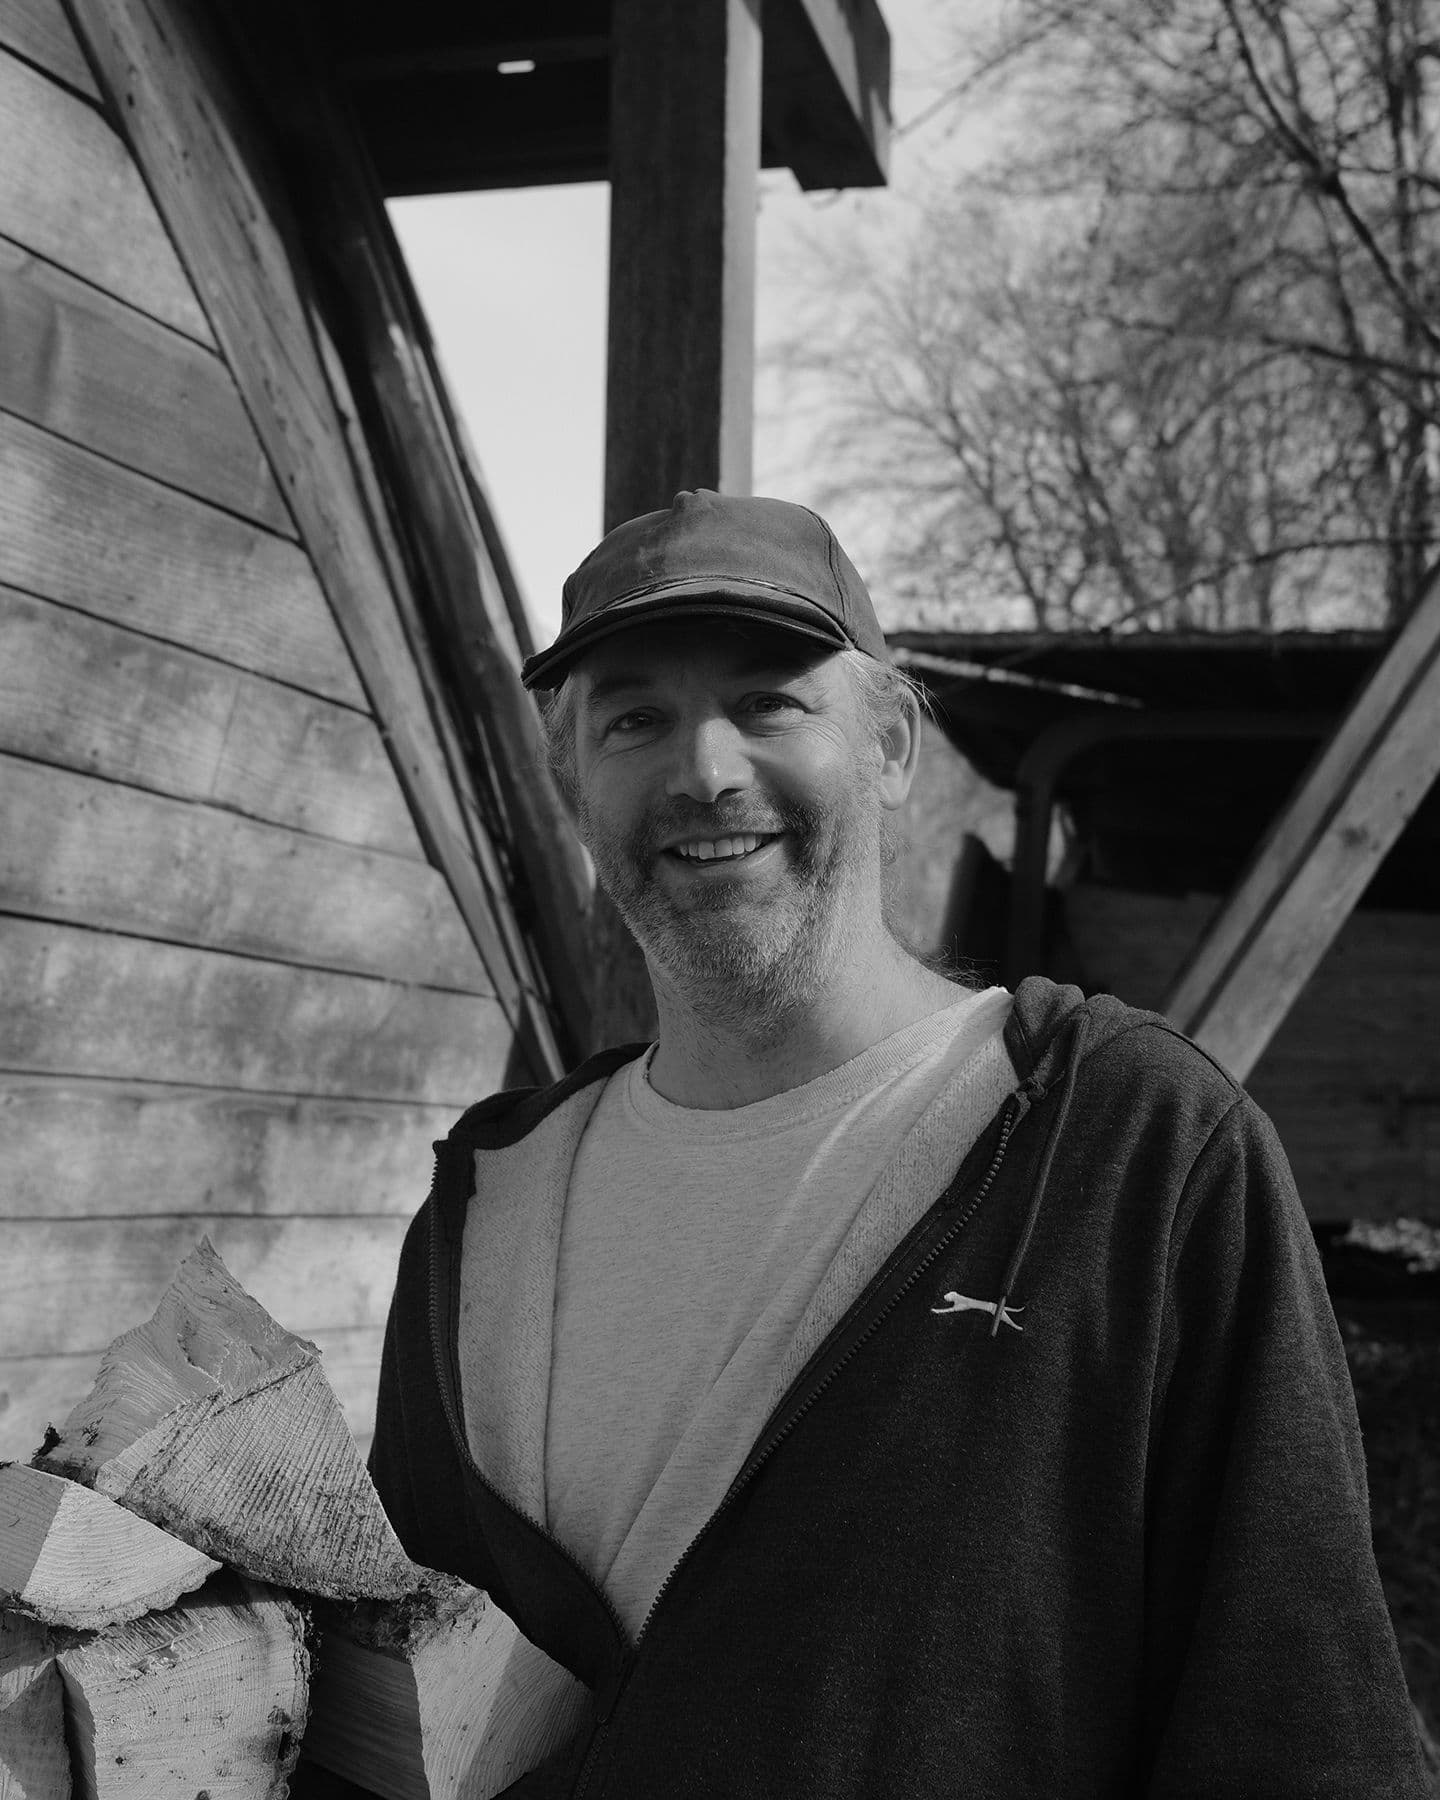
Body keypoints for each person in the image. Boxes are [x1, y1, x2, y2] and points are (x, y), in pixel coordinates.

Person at [369, 489, 1428, 1798]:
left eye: (770, 702)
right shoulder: (485, 1208)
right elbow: (379, 1715)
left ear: (892, 743)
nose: (704, 768)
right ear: (569, 778)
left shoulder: (1135, 1154)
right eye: (635, 717)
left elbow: (1299, 1740)